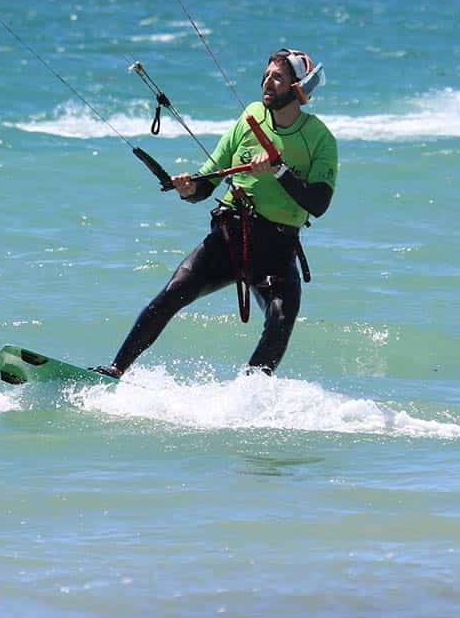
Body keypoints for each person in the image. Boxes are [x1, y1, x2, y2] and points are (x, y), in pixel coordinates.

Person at [94, 48, 338, 379]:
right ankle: (114, 370)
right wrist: (189, 188)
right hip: (230, 237)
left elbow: (319, 204)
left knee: (281, 319)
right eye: (266, 74)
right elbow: (209, 180)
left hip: (277, 250)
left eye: (278, 77)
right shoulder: (250, 117)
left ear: (298, 88)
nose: (268, 81)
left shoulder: (320, 139)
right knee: (169, 296)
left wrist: (279, 171)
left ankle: (249, 394)